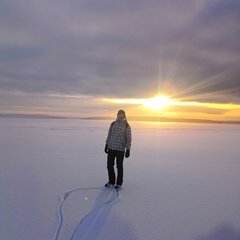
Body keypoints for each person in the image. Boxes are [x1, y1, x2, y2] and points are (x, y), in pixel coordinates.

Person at [104, 110, 132, 189]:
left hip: (120, 149)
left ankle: (119, 183)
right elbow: (109, 134)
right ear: (117, 115)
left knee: (119, 166)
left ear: (124, 116)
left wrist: (128, 149)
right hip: (111, 148)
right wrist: (106, 145)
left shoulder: (127, 126)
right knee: (109, 165)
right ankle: (111, 181)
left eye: (122, 115)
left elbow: (129, 138)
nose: (120, 116)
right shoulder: (113, 124)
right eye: (119, 115)